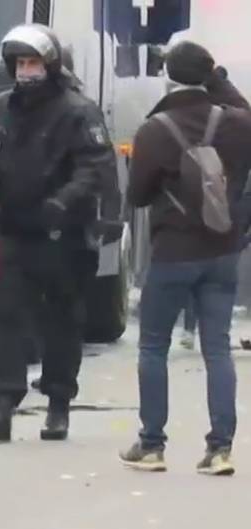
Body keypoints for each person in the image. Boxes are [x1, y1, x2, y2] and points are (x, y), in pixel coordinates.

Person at [0, 24, 114, 442]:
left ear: (50, 65)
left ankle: (58, 403)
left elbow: (95, 166)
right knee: (3, 314)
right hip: (10, 228)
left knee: (62, 320)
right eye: (19, 62)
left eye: (32, 61)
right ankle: (0, 403)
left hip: (61, 233)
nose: (25, 70)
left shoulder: (79, 111)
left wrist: (63, 202)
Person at [119, 41, 251, 475]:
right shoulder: (237, 123)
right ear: (209, 75)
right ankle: (220, 449)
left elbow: (137, 195)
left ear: (168, 76)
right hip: (223, 249)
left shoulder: (156, 128)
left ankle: (152, 444)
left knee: (154, 345)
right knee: (217, 349)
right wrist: (219, 79)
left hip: (174, 251)